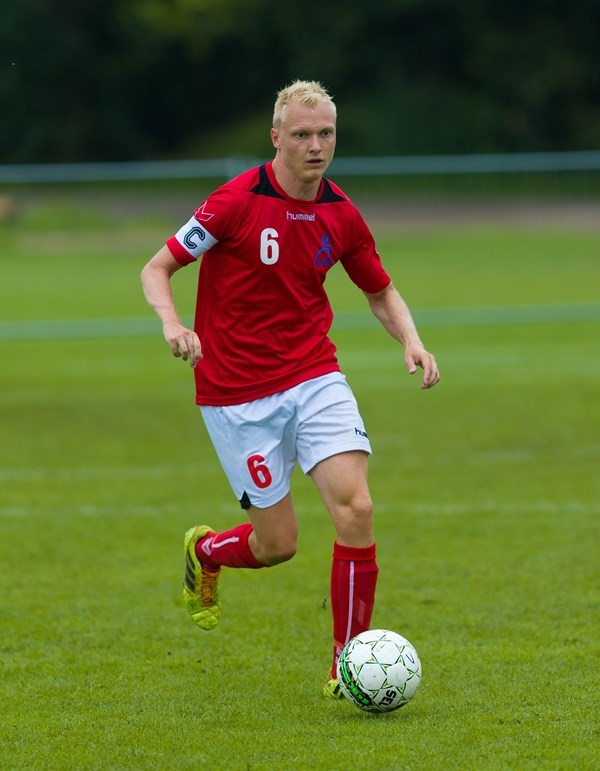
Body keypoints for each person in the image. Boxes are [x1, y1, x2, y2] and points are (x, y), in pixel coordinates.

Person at [141, 80, 440, 698]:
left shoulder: (341, 213)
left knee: (356, 508)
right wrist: (174, 323)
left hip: (313, 374)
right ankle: (210, 552)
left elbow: (379, 289)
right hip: (234, 391)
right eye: (301, 134)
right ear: (276, 137)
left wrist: (410, 339)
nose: (315, 145)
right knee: (278, 546)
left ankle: (347, 666)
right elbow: (158, 266)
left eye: (325, 133)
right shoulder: (234, 202)